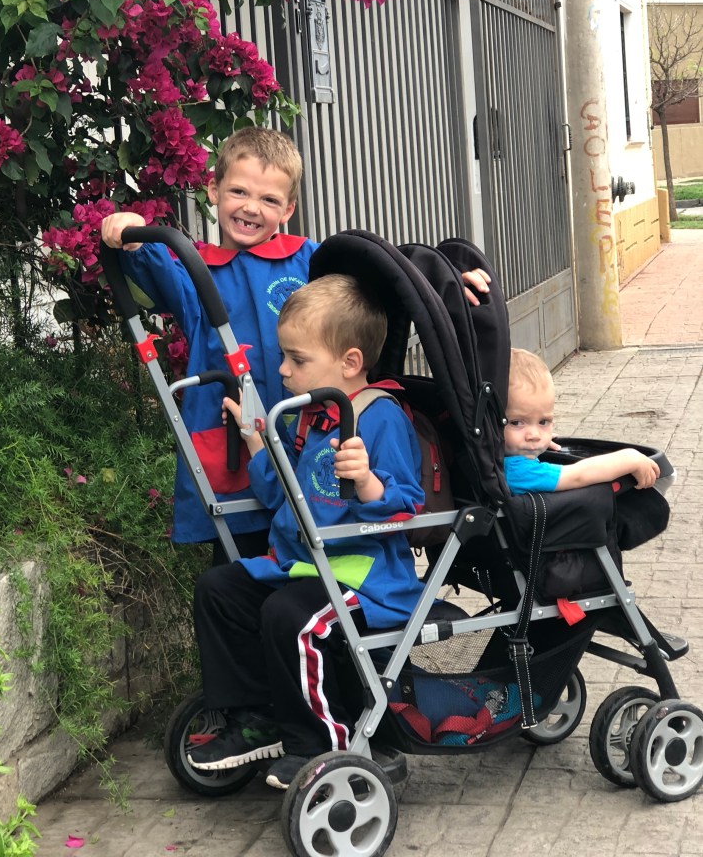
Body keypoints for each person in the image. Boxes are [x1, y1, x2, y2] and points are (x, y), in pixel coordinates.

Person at [102, 125, 492, 554]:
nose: (251, 208)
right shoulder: (196, 270)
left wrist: (440, 280)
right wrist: (135, 238)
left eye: (269, 200)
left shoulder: (309, 259)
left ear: (288, 208)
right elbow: (157, 273)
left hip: (310, 439)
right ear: (213, 191)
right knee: (239, 557)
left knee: (314, 545)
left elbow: (380, 280)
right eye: (238, 192)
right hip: (235, 442)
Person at [187, 275, 424, 791]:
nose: (283, 370)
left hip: (364, 578)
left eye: (296, 360)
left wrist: (367, 481)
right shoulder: (309, 418)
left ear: (350, 362)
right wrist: (256, 441)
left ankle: (321, 742)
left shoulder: (380, 417)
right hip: (303, 566)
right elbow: (284, 497)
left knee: (289, 615)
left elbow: (407, 502)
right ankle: (257, 717)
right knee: (218, 590)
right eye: (284, 357)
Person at [503, 348, 660, 492]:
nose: (534, 435)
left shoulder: (501, 458)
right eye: (516, 423)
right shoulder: (517, 472)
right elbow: (578, 476)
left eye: (543, 422)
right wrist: (628, 459)